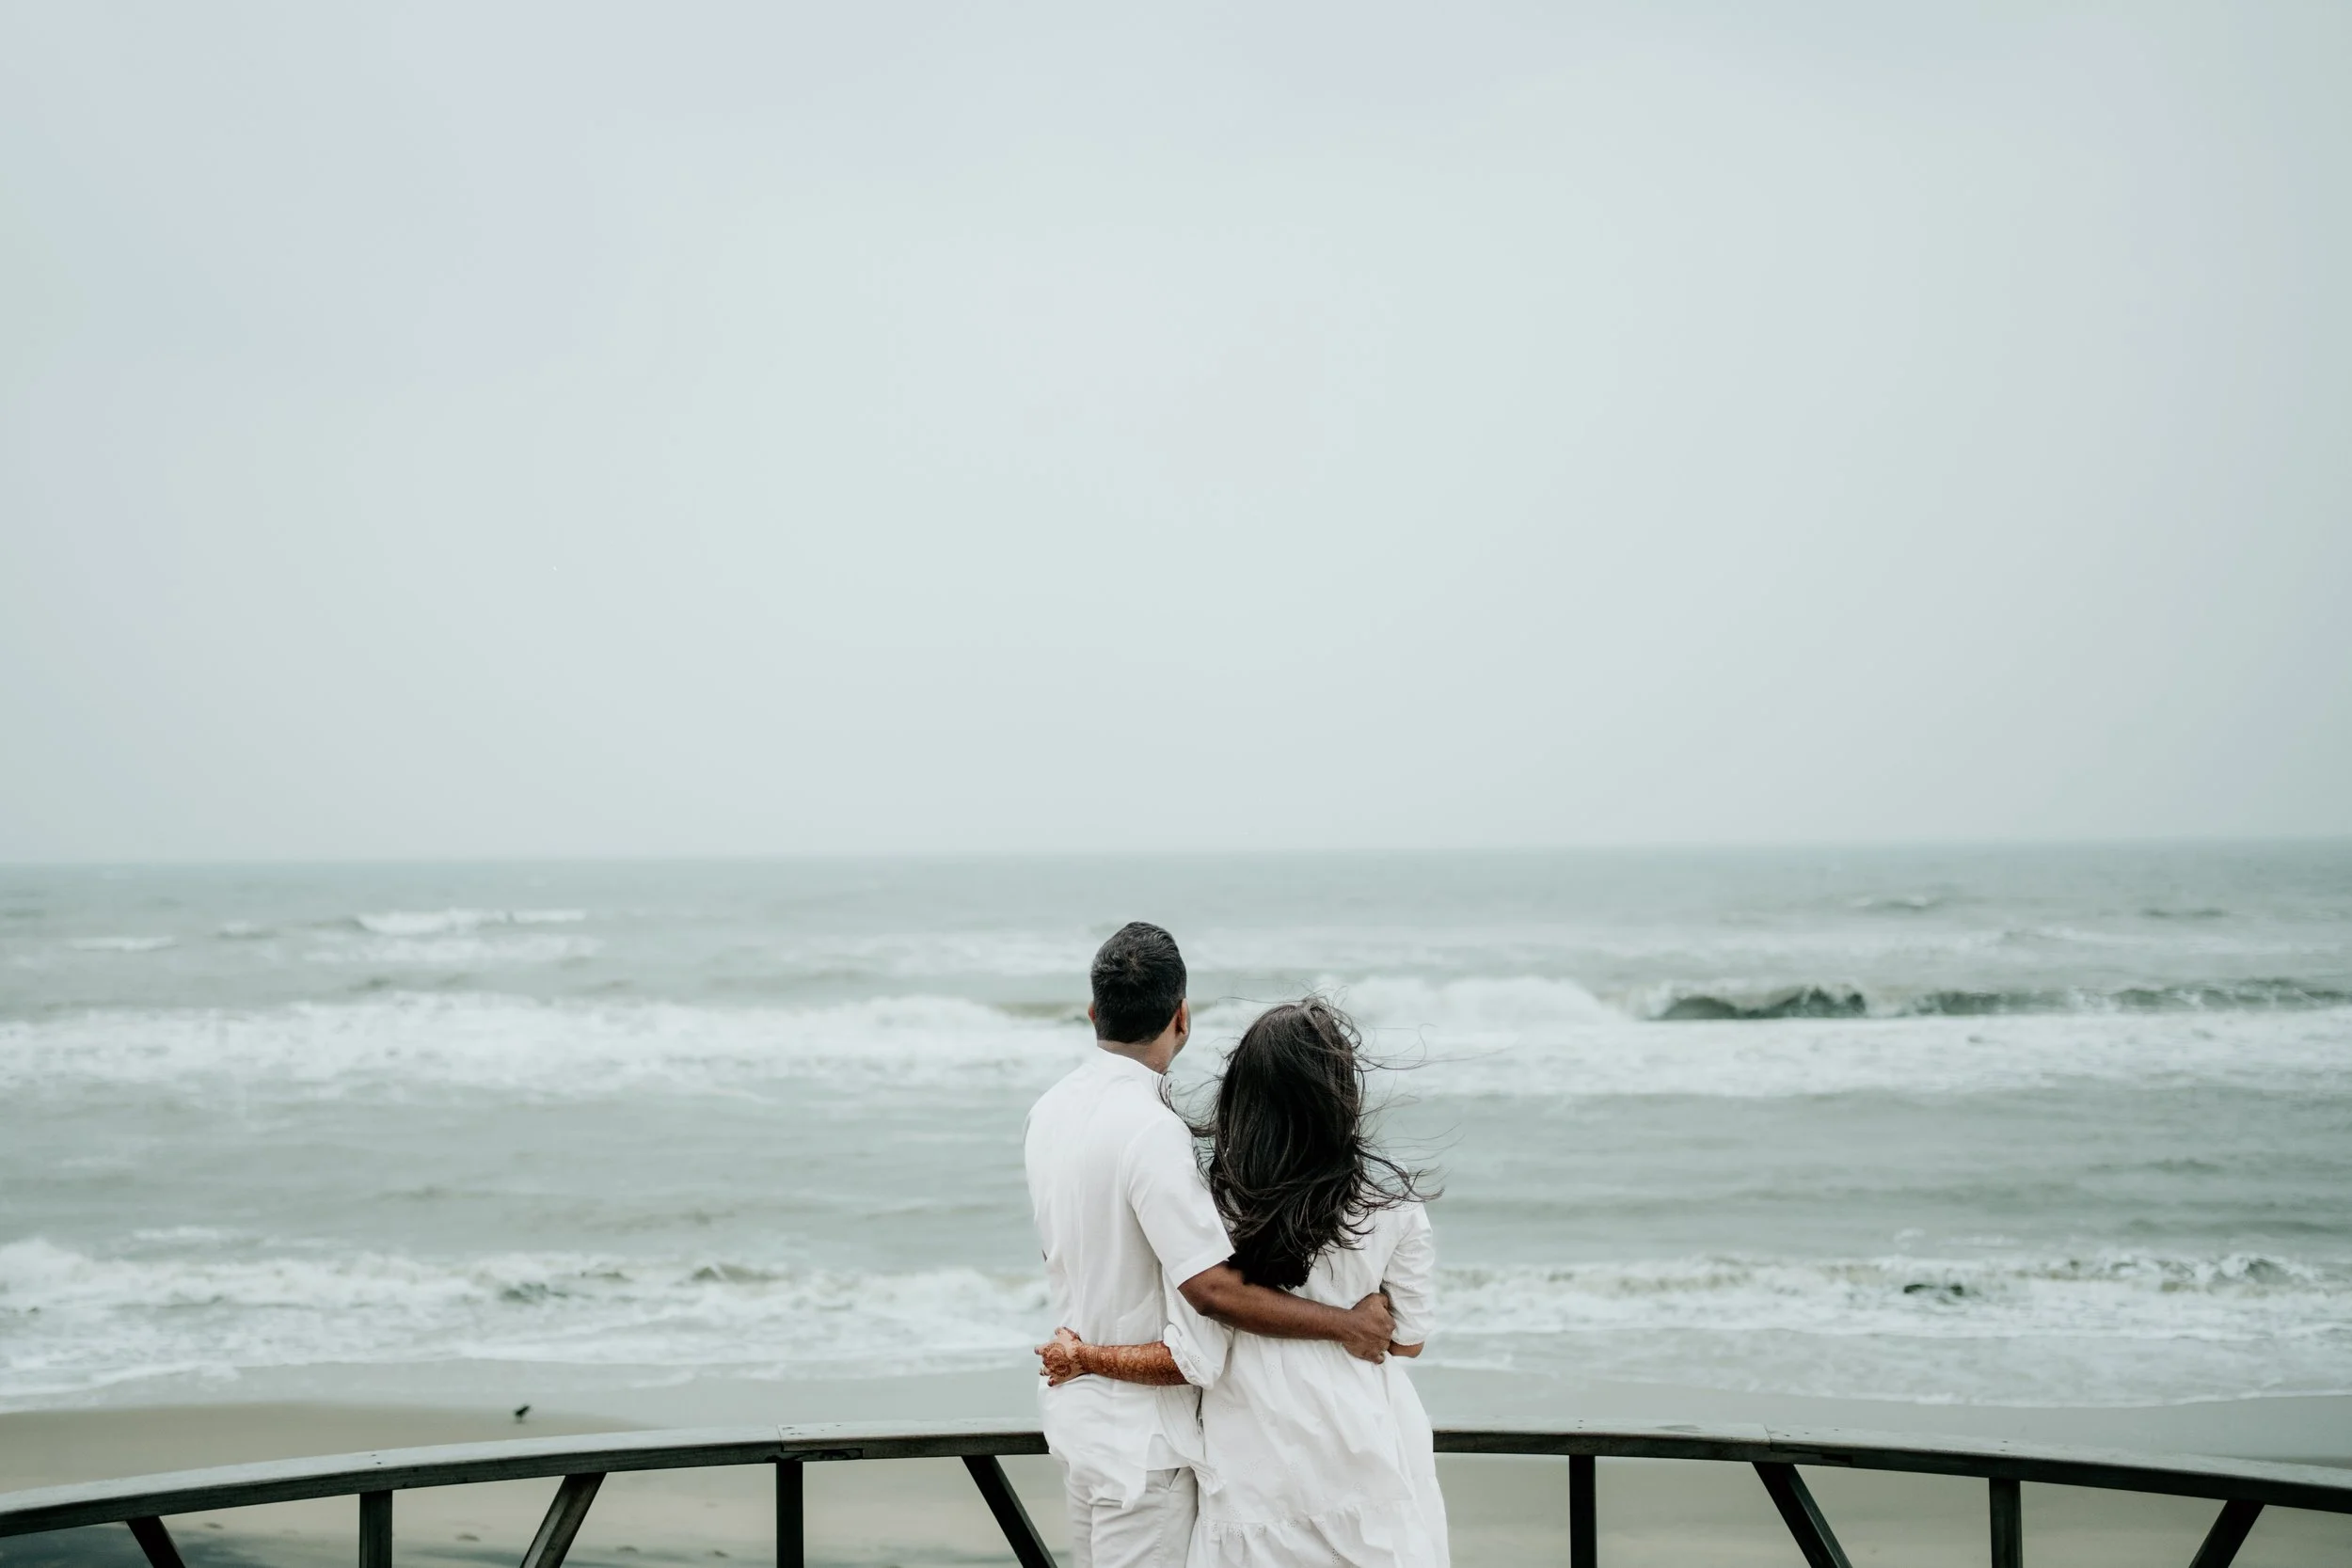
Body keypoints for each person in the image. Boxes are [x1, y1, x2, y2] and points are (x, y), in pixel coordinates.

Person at [1026, 926, 1395, 1568]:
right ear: (1182, 1017)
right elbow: (1210, 1290)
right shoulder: (1152, 1131)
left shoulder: (1047, 1111)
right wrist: (1346, 1324)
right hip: (1144, 1453)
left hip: (1076, 1429)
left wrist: (1081, 1354)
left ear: (1093, 1013)